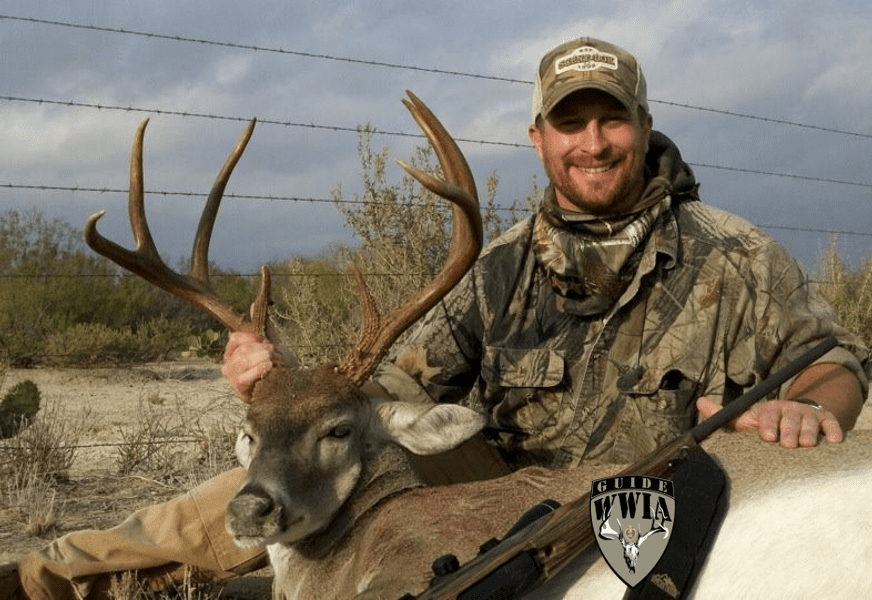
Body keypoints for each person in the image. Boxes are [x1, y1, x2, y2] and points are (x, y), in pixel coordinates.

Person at [6, 36, 868, 600]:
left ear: (643, 128)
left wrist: (814, 403)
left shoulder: (733, 253)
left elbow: (836, 357)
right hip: (494, 486)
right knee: (296, 462)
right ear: (539, 138)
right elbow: (395, 384)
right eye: (572, 124)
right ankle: (44, 575)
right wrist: (279, 383)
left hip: (657, 496)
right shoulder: (495, 270)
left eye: (612, 120)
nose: (593, 142)